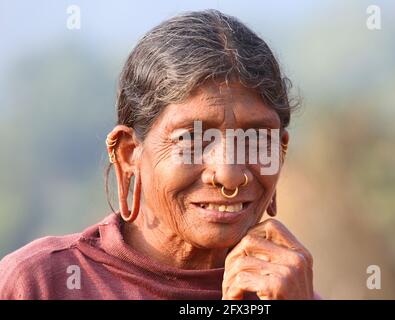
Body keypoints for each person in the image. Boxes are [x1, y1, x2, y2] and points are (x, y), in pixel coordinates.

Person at [0, 9, 315, 300]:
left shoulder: (283, 293)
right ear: (128, 154)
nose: (229, 174)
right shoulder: (40, 284)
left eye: (257, 139)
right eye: (191, 139)